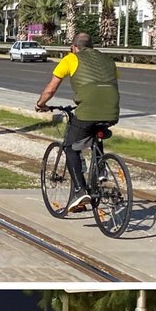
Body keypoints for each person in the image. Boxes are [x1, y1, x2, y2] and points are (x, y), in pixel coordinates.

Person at [35, 32, 120, 213]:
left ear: (74, 47)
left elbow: (50, 90)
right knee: (95, 132)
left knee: (70, 147)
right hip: (112, 111)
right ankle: (101, 171)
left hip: (87, 111)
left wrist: (41, 104)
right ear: (92, 46)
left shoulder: (70, 59)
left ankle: (79, 191)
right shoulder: (108, 60)